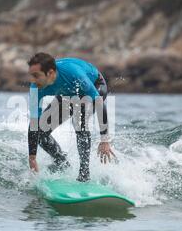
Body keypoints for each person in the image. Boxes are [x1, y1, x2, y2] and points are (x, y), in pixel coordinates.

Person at [27, 52, 116, 182]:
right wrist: (32, 158)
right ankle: (63, 164)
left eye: (36, 76)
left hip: (95, 84)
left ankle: (84, 175)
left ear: (50, 73)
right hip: (66, 92)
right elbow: (34, 124)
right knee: (41, 132)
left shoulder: (74, 74)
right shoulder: (35, 87)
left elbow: (99, 103)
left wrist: (105, 140)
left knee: (79, 121)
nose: (33, 80)